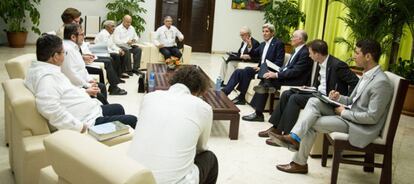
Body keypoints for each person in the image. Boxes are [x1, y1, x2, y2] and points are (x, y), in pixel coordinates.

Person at [271, 39, 393, 174]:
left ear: (368, 56)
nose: (353, 56)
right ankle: (294, 138)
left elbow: (372, 117)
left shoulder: (381, 82)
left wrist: (343, 113)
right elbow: (353, 100)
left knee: (310, 123)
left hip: (359, 126)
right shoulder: (367, 75)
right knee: (313, 101)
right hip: (350, 115)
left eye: (357, 53)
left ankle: (299, 161)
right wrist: (339, 98)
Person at [25, 34, 137, 132]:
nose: (65, 56)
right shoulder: (47, 79)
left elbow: (65, 91)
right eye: (63, 53)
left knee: (118, 108)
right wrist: (79, 127)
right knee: (132, 120)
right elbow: (49, 108)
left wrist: (85, 92)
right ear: (55, 57)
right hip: (88, 121)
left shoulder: (45, 69)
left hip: (89, 111)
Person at [259, 40, 359, 146]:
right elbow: (322, 84)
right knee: (287, 93)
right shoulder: (320, 63)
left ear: (317, 54)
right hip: (318, 94)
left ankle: (288, 136)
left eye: (310, 53)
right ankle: (276, 129)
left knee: (294, 98)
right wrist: (310, 88)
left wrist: (343, 99)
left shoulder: (337, 65)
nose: (309, 56)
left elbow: (355, 82)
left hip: (328, 100)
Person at [128, 66, 218, 184]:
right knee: (210, 158)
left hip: (133, 177)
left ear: (174, 80)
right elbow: (201, 148)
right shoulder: (203, 107)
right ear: (198, 90)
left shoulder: (149, 97)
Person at [242, 30, 313, 122]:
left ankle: (258, 113)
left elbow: (295, 71)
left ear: (299, 39)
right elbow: (288, 67)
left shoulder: (305, 52)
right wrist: (278, 71)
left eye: (293, 37)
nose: (291, 39)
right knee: (265, 73)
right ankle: (258, 111)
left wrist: (276, 74)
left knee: (266, 80)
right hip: (288, 76)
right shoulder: (297, 50)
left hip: (296, 80)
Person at [221, 23, 285, 105]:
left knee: (246, 71)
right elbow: (254, 53)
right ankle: (225, 92)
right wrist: (250, 45)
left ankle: (241, 97)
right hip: (259, 69)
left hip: (269, 71)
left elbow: (279, 62)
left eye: (267, 31)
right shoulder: (263, 44)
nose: (264, 33)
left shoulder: (278, 44)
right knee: (240, 71)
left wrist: (263, 68)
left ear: (272, 33)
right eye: (263, 31)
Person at [61, 23, 127, 98]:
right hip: (78, 86)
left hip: (83, 78)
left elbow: (82, 69)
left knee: (101, 86)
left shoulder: (74, 47)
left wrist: (90, 79)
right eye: (82, 34)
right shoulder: (68, 50)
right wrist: (87, 84)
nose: (84, 36)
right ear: (73, 37)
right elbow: (72, 74)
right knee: (101, 87)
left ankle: (113, 87)